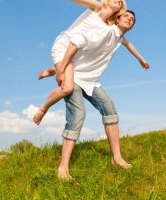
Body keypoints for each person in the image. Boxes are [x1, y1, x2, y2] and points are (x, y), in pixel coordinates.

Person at [29, 0, 149, 126]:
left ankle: (53, 70)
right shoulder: (97, 7)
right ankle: (43, 108)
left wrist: (140, 59)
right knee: (67, 88)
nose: (119, 0)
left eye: (121, 0)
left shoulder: (110, 27)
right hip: (65, 45)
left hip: (77, 52)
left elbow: (126, 43)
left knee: (79, 67)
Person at [54, 10, 148, 179]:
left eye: (132, 19)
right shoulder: (106, 31)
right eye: (126, 16)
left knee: (109, 108)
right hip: (74, 77)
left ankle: (117, 158)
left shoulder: (119, 38)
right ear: (117, 19)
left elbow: (129, 45)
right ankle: (63, 167)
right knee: (78, 115)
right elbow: (78, 41)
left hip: (90, 82)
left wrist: (140, 59)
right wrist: (60, 69)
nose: (129, 19)